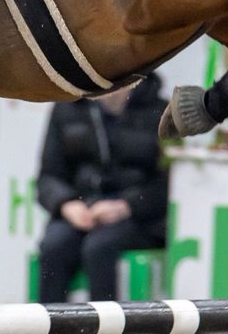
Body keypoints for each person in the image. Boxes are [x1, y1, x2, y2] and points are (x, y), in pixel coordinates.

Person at [35, 75, 169, 302]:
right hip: (81, 209)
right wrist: (67, 204)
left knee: (98, 248)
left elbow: (168, 183)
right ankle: (50, 319)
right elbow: (48, 177)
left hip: (138, 217)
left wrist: (126, 206)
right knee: (55, 246)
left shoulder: (160, 112)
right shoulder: (67, 108)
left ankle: (107, 320)